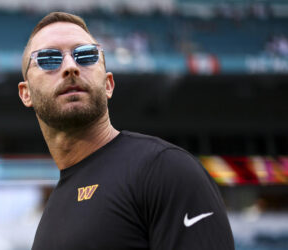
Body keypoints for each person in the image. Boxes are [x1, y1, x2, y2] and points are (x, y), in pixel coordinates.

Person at [18, 12, 234, 250]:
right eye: (49, 59)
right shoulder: (52, 214)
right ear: (25, 93)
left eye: (86, 56)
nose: (71, 67)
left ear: (108, 84)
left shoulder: (165, 169)